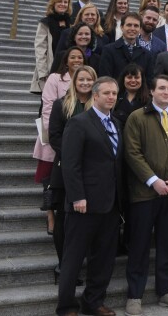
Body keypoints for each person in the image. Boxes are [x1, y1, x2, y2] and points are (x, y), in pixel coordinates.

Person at [123, 75, 168, 315]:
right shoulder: (137, 117)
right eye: (161, 88)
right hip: (145, 193)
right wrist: (153, 180)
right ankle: (135, 295)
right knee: (140, 245)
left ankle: (166, 291)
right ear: (151, 92)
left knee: (167, 245)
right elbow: (132, 153)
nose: (166, 92)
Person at [56, 77, 122, 316]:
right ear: (95, 96)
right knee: (73, 259)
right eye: (107, 93)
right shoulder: (79, 123)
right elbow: (70, 165)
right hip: (83, 204)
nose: (112, 97)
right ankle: (66, 307)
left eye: (115, 93)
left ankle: (93, 301)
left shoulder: (116, 123)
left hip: (110, 204)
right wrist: (77, 197)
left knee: (104, 259)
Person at [47, 65, 96, 285]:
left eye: (89, 80)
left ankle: (79, 263)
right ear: (74, 81)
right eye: (81, 79)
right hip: (65, 169)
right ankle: (64, 266)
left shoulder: (99, 106)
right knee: (64, 219)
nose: (85, 83)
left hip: (93, 172)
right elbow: (54, 136)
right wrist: (73, 155)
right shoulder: (61, 105)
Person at [34, 47, 86, 240]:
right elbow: (48, 106)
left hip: (77, 141)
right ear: (66, 60)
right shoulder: (56, 78)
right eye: (73, 57)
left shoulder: (87, 79)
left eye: (80, 57)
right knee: (50, 179)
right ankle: (50, 216)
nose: (76, 60)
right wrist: (54, 134)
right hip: (54, 138)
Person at [31, 0, 72, 94]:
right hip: (51, 66)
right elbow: (40, 48)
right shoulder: (45, 22)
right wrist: (43, 72)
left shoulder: (71, 23)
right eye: (59, 1)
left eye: (65, 2)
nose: (63, 4)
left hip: (68, 67)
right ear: (53, 3)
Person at [99, 13, 155, 84]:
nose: (132, 28)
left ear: (140, 29)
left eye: (136, 26)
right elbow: (105, 78)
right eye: (129, 25)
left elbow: (149, 82)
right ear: (122, 27)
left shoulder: (147, 54)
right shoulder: (108, 50)